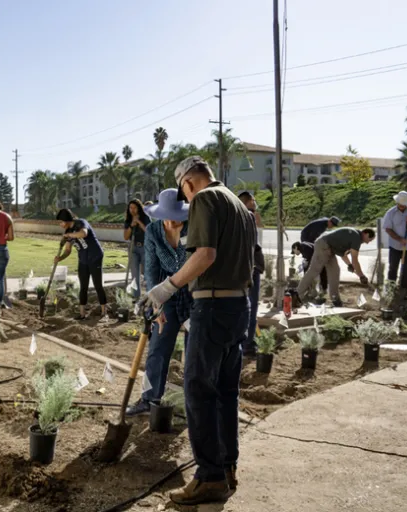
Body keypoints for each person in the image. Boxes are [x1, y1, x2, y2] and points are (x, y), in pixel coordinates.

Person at [138, 156, 255, 505]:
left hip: (214, 305)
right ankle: (227, 465)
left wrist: (166, 287)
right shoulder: (239, 206)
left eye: (184, 195)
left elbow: (205, 255)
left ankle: (209, 476)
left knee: (198, 391)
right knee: (225, 391)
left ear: (187, 183)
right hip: (238, 306)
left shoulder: (204, 199)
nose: (187, 202)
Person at [125, 189, 191, 415]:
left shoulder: (194, 228)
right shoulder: (153, 231)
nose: (173, 222)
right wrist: (157, 305)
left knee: (194, 353)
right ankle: (149, 399)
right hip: (166, 294)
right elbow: (152, 270)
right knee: (157, 348)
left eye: (177, 217)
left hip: (195, 295)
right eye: (168, 217)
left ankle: (195, 404)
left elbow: (198, 265)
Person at [295, 227, 375, 306]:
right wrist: (361, 276)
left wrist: (349, 265)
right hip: (323, 245)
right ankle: (297, 295)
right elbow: (355, 260)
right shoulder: (356, 238)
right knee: (314, 271)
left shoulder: (354, 237)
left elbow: (343, 255)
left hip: (329, 249)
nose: (368, 242)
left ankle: (335, 299)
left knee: (335, 272)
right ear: (366, 234)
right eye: (369, 239)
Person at [55, 208, 107, 320]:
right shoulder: (67, 231)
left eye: (61, 222)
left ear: (66, 219)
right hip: (83, 259)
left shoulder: (81, 223)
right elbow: (68, 250)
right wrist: (60, 258)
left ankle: (104, 312)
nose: (60, 225)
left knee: (97, 284)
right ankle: (82, 313)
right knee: (83, 286)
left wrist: (70, 235)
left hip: (95, 256)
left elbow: (84, 233)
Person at [238, 191, 265, 355]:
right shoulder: (246, 219)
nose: (255, 204)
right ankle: (248, 344)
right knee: (250, 306)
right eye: (253, 202)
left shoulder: (241, 218)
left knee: (247, 306)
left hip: (248, 267)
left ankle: (246, 342)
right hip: (250, 267)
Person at [383, 191, 407, 291]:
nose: (402, 206)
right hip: (395, 246)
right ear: (397, 202)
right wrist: (400, 239)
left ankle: (404, 290)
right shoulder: (390, 213)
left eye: (404, 205)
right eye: (400, 204)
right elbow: (388, 229)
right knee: (392, 268)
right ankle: (391, 289)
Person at [123, 199, 151, 299]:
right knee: (134, 275)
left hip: (145, 247)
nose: (132, 210)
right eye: (130, 208)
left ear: (139, 208)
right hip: (133, 247)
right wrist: (131, 225)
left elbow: (149, 231)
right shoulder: (128, 220)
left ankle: (150, 298)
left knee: (148, 273)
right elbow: (125, 237)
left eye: (134, 207)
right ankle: (136, 297)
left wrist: (138, 222)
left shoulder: (145, 218)